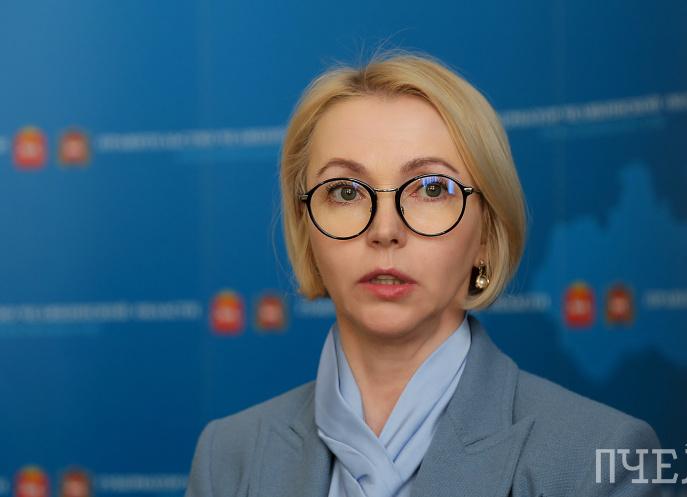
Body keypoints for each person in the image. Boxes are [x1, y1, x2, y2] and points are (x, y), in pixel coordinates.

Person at [185, 51, 661, 497]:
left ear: (486, 234)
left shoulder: (601, 457)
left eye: (432, 189)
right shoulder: (227, 457)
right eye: (346, 192)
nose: (385, 230)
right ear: (306, 228)